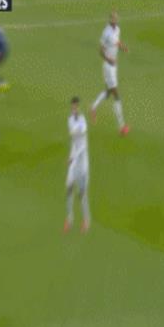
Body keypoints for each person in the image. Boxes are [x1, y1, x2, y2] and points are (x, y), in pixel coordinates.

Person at [90, 10, 130, 136]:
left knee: (108, 92)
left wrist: (123, 47)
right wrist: (109, 59)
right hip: (108, 66)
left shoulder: (117, 29)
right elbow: (100, 51)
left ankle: (93, 107)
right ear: (110, 20)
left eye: (116, 18)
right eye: (113, 18)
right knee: (116, 94)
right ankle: (121, 126)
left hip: (114, 66)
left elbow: (117, 42)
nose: (115, 20)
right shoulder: (106, 32)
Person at [65, 97, 91, 233]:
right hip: (73, 159)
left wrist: (73, 157)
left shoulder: (82, 120)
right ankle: (69, 219)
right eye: (72, 106)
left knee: (81, 192)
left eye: (76, 106)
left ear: (78, 107)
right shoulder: (70, 120)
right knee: (69, 188)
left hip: (82, 161)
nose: (74, 108)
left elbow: (83, 145)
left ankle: (86, 220)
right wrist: (71, 158)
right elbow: (74, 140)